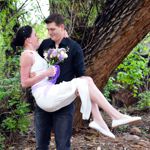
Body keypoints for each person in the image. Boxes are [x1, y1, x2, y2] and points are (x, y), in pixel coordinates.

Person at [14, 23, 141, 149]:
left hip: (49, 90)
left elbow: (51, 45)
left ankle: (101, 120)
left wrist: (63, 37)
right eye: (35, 35)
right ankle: (114, 116)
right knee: (83, 82)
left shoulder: (35, 53)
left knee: (86, 80)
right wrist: (46, 73)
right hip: (45, 96)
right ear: (28, 39)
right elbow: (24, 83)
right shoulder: (26, 55)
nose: (37, 37)